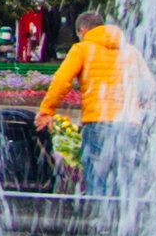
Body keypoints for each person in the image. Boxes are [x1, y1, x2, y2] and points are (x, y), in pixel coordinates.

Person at [34, 13, 139, 200]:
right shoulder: (130, 51)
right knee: (126, 184)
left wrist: (47, 111)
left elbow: (62, 81)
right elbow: (149, 86)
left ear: (82, 31)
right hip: (130, 124)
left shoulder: (82, 49)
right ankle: (124, 227)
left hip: (99, 122)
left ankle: (98, 225)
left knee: (97, 182)